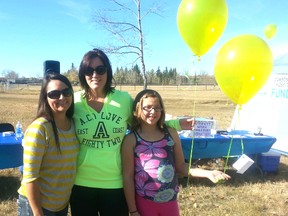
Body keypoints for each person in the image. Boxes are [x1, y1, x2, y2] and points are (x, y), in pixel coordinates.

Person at [69, 48, 194, 216]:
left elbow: (144, 120)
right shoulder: (74, 101)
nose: (94, 75)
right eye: (88, 70)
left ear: (108, 71)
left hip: (115, 183)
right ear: (82, 73)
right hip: (81, 183)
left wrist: (176, 124)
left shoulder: (123, 100)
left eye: (100, 69)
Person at [121, 89, 231, 216]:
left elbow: (181, 167)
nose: (153, 112)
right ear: (137, 111)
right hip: (144, 202)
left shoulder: (171, 133)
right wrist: (133, 210)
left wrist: (207, 173)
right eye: (147, 107)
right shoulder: (131, 140)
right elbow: (127, 177)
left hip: (170, 202)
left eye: (157, 107)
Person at [17, 73, 79, 216]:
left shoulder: (73, 124)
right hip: (36, 206)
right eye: (54, 94)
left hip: (60, 205)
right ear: (45, 98)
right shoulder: (39, 129)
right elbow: (30, 177)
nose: (62, 97)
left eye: (66, 92)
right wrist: (38, 212)